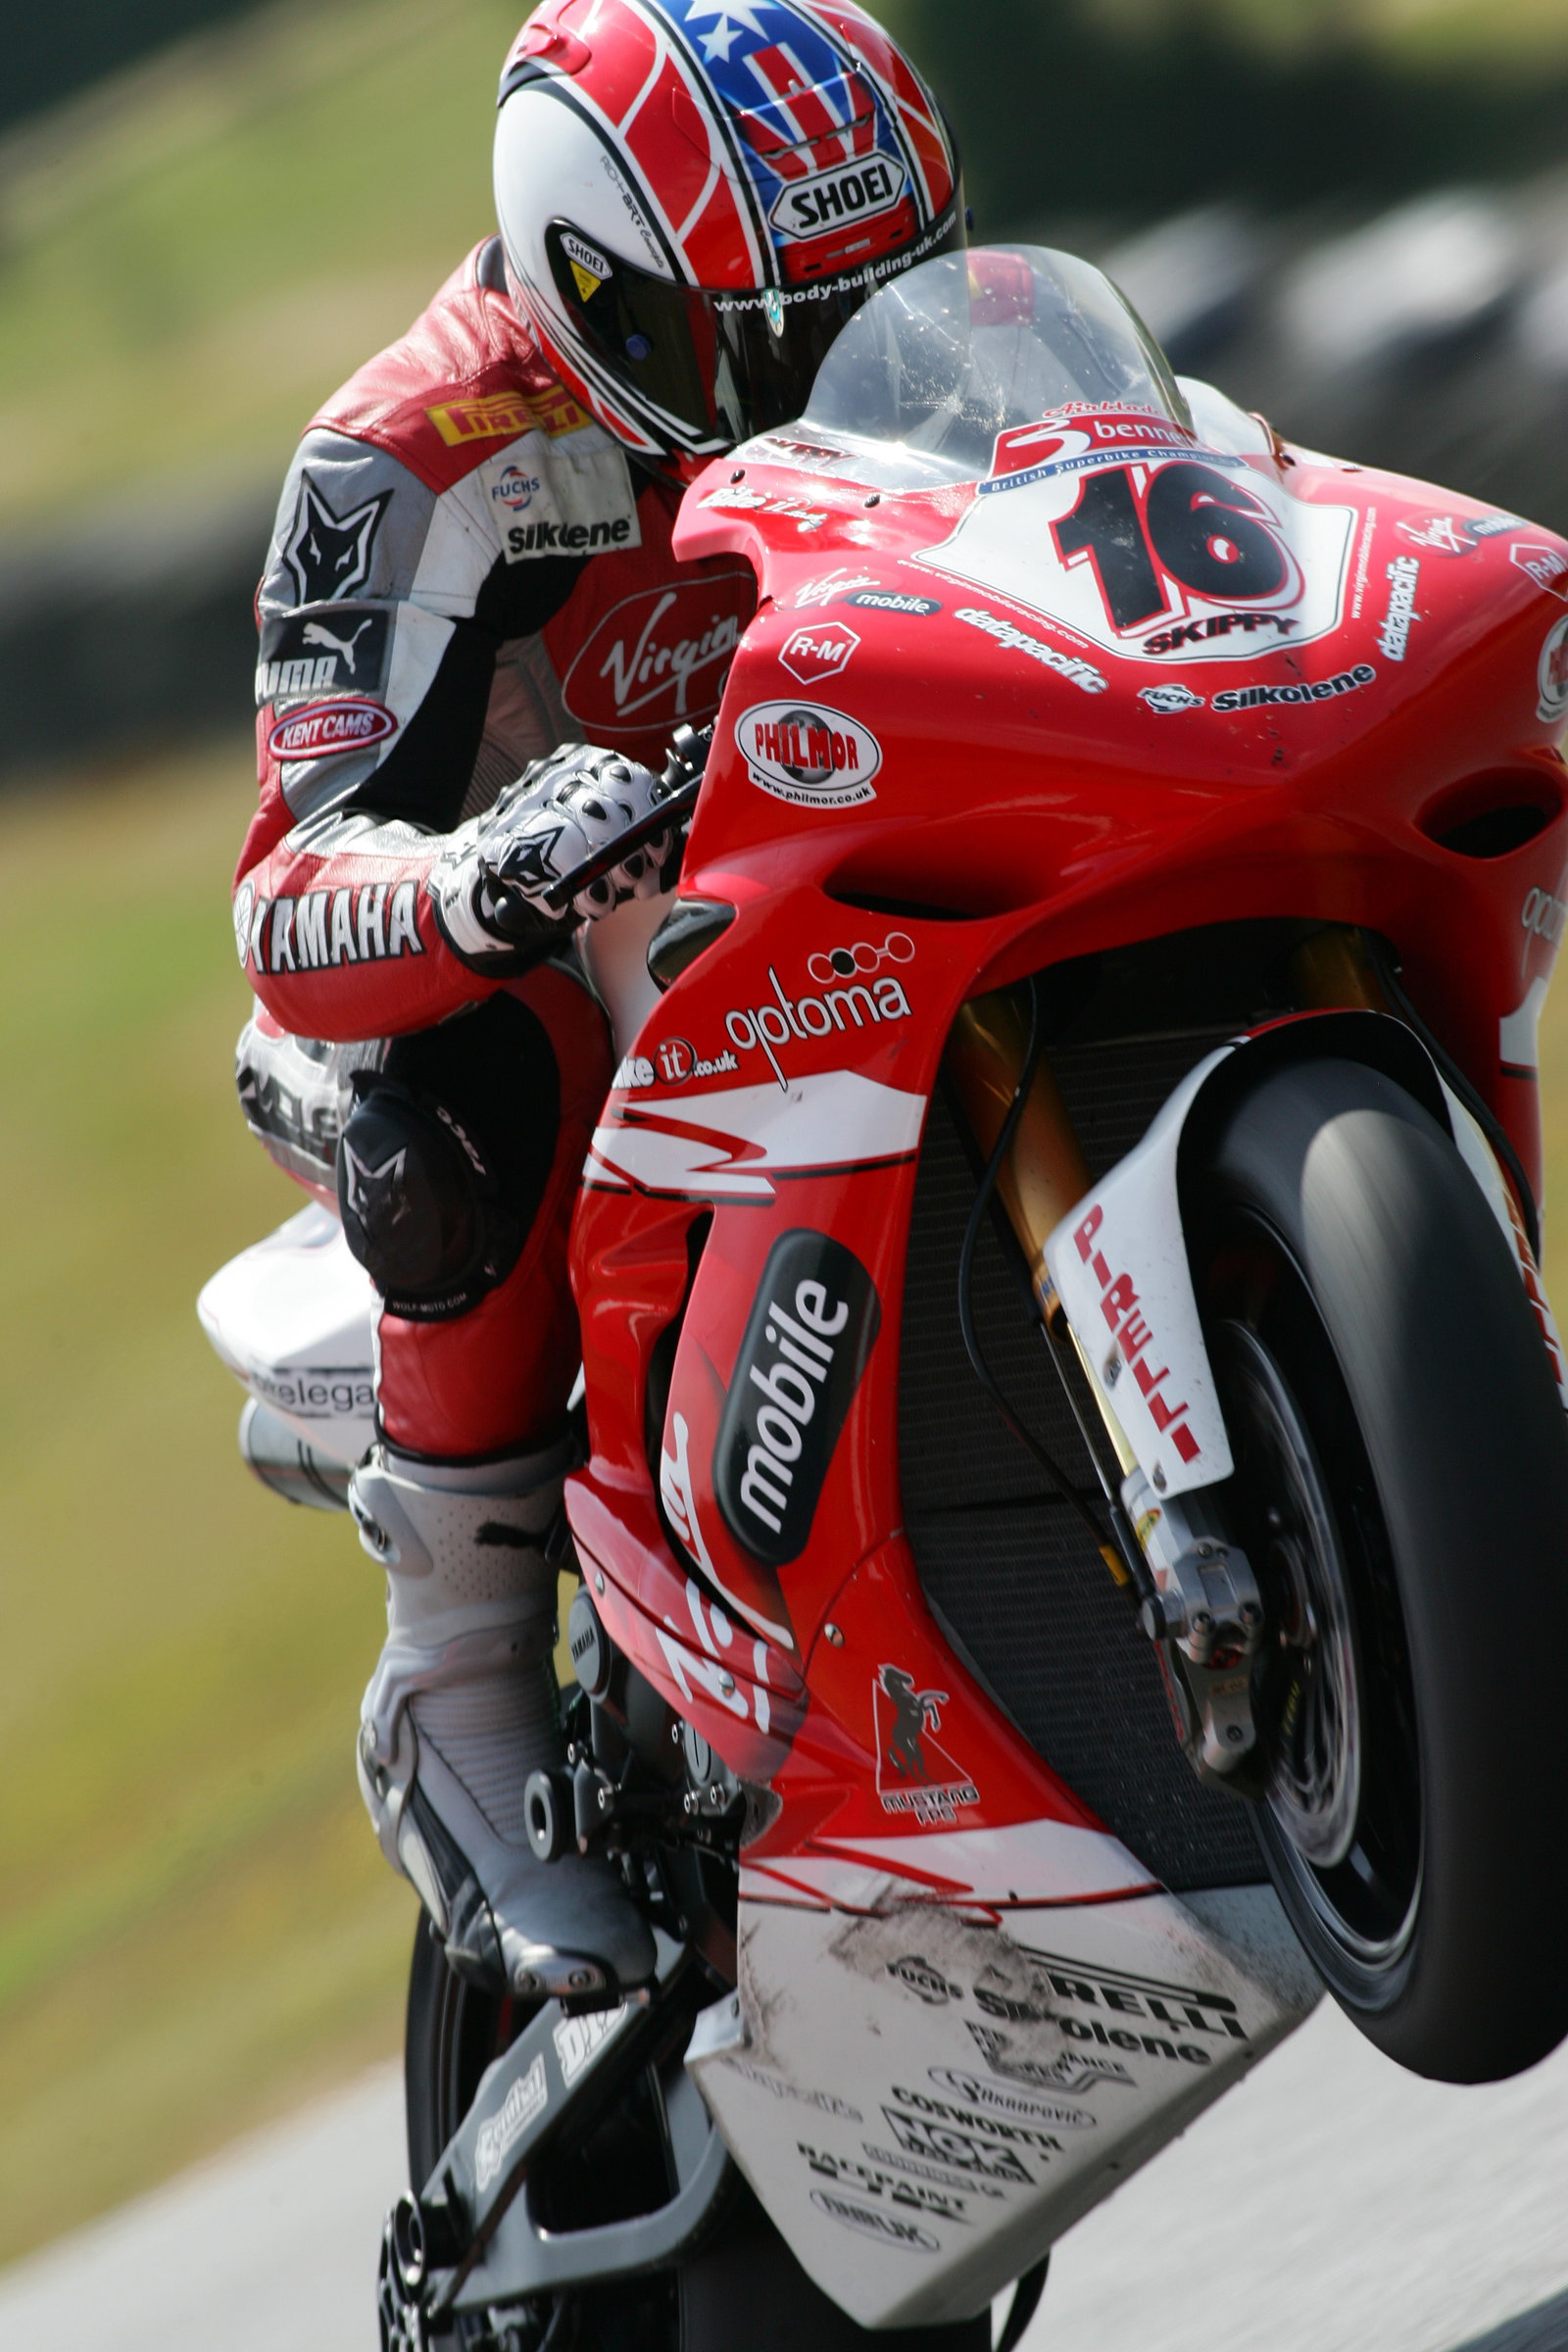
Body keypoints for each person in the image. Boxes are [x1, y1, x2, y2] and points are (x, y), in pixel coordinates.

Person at [232, 0, 963, 2004]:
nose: (821, 384)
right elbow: (287, 894)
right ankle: (459, 1670)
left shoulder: (944, 354)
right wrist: (483, 880)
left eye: (867, 307)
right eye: (765, 338)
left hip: (787, 884)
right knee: (488, 1076)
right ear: (596, 289)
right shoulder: (400, 455)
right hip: (449, 970)